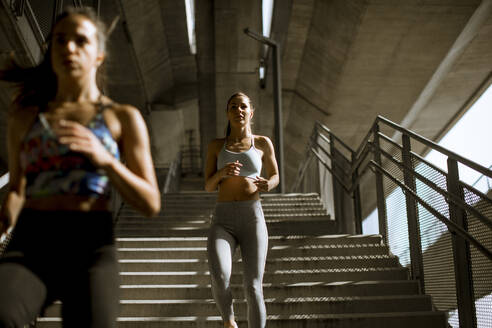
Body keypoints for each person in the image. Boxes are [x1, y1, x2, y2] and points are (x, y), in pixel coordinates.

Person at [0, 7, 160, 328]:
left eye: (80, 41)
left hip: (91, 245)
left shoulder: (122, 117)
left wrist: (106, 160)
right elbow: (18, 188)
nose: (68, 48)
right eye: (60, 40)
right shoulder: (25, 117)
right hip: (31, 240)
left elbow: (150, 202)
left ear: (98, 55)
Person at [204, 92, 279, 328]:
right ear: (227, 113)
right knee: (219, 276)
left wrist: (269, 183)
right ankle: (229, 322)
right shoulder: (216, 146)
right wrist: (221, 173)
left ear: (251, 112)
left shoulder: (263, 143)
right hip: (223, 220)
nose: (238, 110)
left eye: (243, 106)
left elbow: (275, 175)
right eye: (233, 106)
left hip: (252, 218)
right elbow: (208, 186)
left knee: (254, 286)